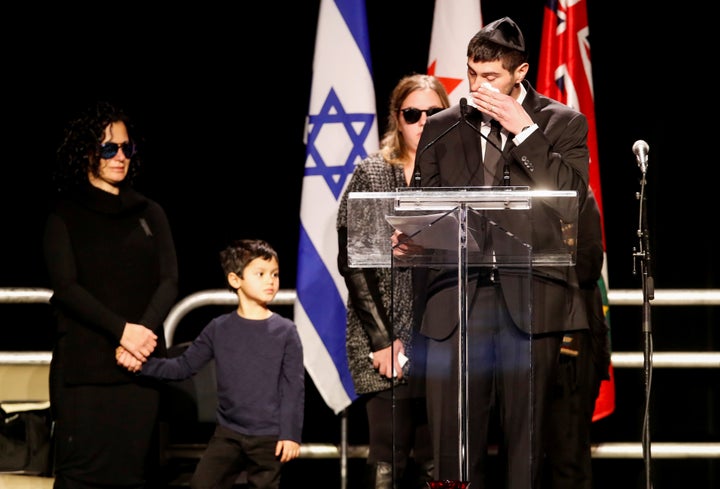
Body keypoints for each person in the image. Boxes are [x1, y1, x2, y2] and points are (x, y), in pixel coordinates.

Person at [392, 17, 601, 489]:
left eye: (491, 77)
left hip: (530, 305)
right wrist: (411, 239)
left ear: (520, 72)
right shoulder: (443, 127)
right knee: (453, 451)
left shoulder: (562, 123)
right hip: (454, 304)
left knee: (525, 449)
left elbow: (569, 200)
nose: (478, 86)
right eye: (472, 74)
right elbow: (424, 206)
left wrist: (524, 132)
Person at [43, 100, 179, 489]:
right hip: (85, 372)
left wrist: (140, 336)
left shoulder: (149, 212)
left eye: (125, 148)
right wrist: (123, 332)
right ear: (86, 152)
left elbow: (169, 279)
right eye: (108, 148)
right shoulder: (64, 215)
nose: (119, 156)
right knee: (81, 477)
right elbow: (67, 288)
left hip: (141, 367)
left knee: (134, 475)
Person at [336, 74, 450, 489]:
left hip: (441, 339)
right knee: (388, 460)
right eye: (413, 114)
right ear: (397, 119)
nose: (423, 121)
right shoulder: (372, 174)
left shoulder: (457, 175)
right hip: (383, 340)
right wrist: (384, 339)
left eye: (434, 113)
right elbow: (354, 264)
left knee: (436, 463)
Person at [117, 238, 304, 489]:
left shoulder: (286, 331)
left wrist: (290, 434)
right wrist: (141, 365)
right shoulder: (219, 328)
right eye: (260, 273)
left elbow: (293, 387)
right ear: (235, 280)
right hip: (228, 434)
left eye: (275, 274)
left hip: (268, 437)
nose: (270, 280)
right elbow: (182, 367)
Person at [543, 187, 611, 489]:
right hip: (513, 343)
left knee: (569, 461)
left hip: (572, 344)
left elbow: (588, 263)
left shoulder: (576, 191)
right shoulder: (503, 184)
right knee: (519, 459)